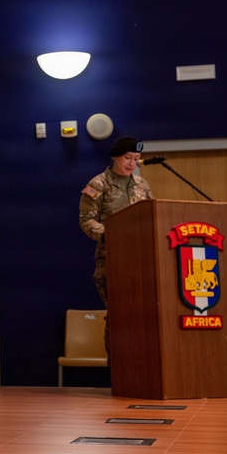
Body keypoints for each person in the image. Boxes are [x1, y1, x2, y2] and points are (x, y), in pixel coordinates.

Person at [78, 135, 154, 353]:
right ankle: (118, 365)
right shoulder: (98, 184)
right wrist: (113, 234)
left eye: (136, 159)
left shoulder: (142, 185)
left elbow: (151, 215)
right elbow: (86, 220)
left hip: (142, 261)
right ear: (115, 157)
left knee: (143, 314)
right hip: (112, 261)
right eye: (127, 158)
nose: (132, 163)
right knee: (119, 314)